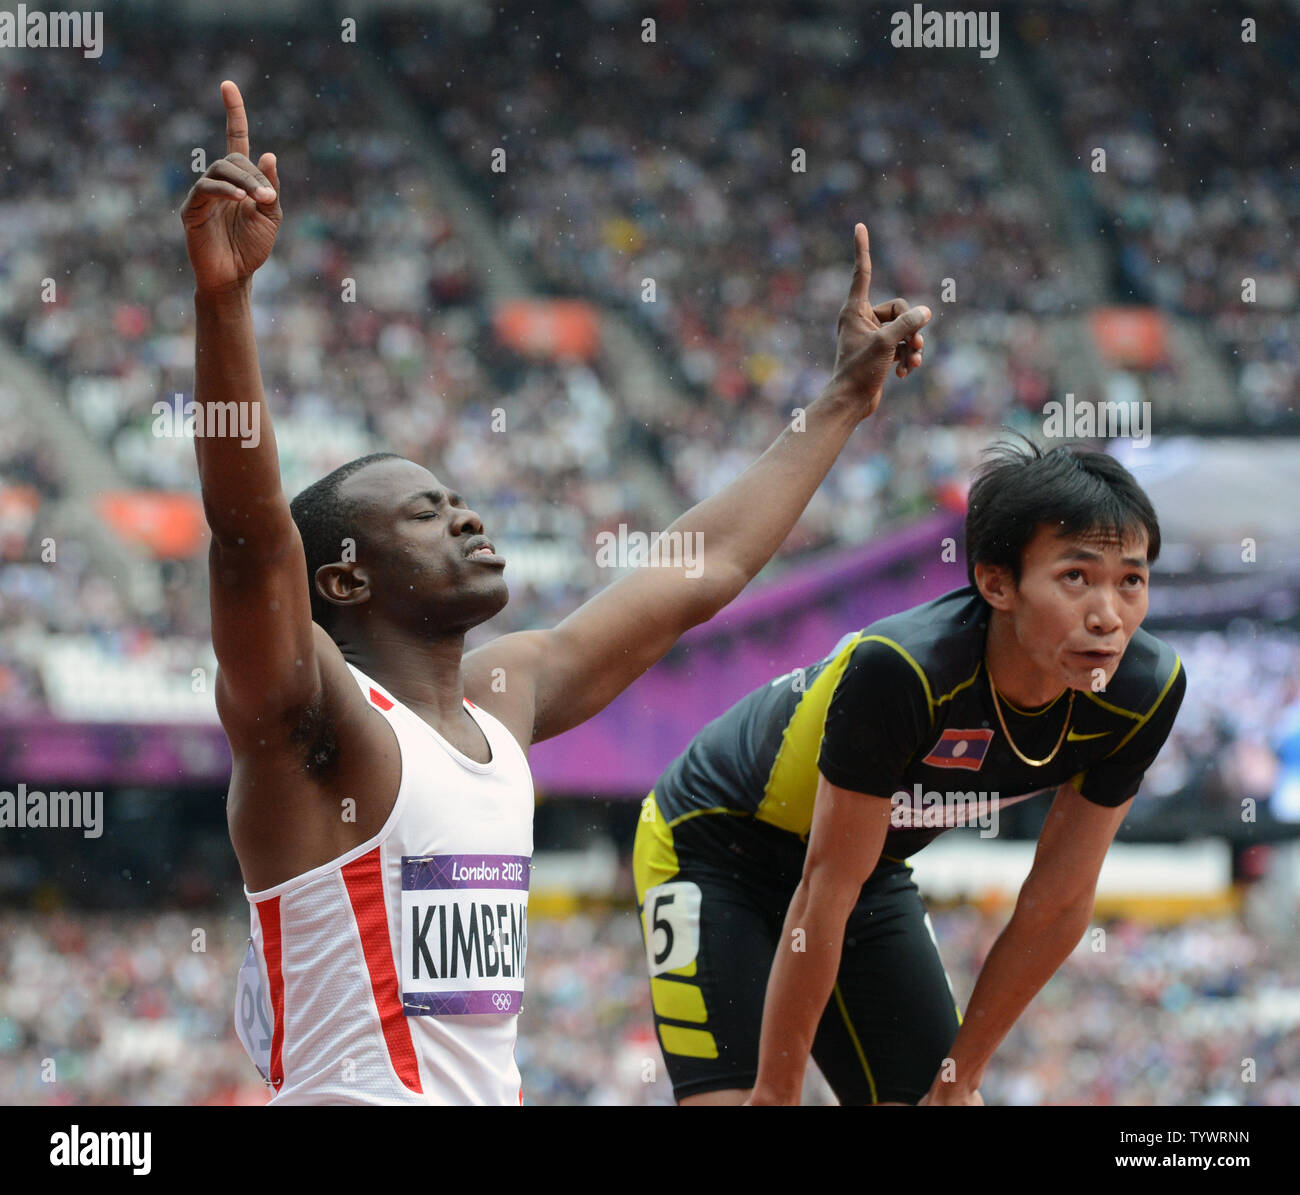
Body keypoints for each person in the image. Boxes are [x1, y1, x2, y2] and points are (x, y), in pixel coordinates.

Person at [181, 80, 930, 1104]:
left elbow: (696, 572)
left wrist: (843, 398)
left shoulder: (502, 699)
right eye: (424, 514)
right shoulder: (319, 722)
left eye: (458, 499)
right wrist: (223, 307)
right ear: (343, 578)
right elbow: (247, 539)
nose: (468, 518)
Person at [635, 433, 1187, 1106]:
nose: (1108, 616)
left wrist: (959, 1079)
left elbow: (1060, 902)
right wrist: (777, 1090)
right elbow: (820, 893)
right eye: (1076, 577)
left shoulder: (1145, 689)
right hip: (714, 843)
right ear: (996, 581)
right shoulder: (905, 670)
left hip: (859, 866)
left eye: (1131, 580)